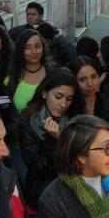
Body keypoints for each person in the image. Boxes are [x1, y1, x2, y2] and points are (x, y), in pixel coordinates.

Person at [18, 68, 83, 208]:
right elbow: (36, 168)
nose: (63, 104)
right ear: (44, 93)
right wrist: (53, 141)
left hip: (76, 187)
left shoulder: (74, 118)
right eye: (58, 97)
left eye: (69, 99)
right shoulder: (28, 122)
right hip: (44, 192)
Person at [67, 56, 109, 130]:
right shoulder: (66, 107)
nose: (90, 84)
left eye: (93, 76)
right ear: (73, 81)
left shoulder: (108, 108)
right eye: (82, 80)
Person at [8, 29, 50, 113]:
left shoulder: (52, 74)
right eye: (27, 47)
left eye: (37, 46)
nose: (34, 52)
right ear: (21, 50)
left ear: (43, 48)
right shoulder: (12, 78)